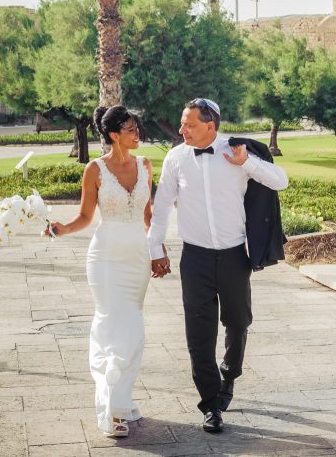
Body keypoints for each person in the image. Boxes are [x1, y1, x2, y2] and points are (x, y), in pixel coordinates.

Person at [148, 98, 288, 433]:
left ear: (211, 126)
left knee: (238, 322)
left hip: (233, 256)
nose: (182, 130)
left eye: (190, 125)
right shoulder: (176, 157)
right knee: (199, 334)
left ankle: (230, 374)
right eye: (182, 123)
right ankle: (211, 404)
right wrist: (154, 246)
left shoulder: (238, 151)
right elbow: (163, 203)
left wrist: (248, 163)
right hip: (194, 258)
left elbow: (280, 180)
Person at [44, 105, 162, 438]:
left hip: (137, 256)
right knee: (110, 324)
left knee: (133, 328)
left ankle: (120, 400)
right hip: (105, 256)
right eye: (130, 129)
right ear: (113, 135)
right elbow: (85, 217)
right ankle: (110, 411)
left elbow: (149, 217)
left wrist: (158, 252)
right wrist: (61, 229)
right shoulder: (95, 170)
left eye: (136, 127)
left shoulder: (145, 165)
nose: (137, 133)